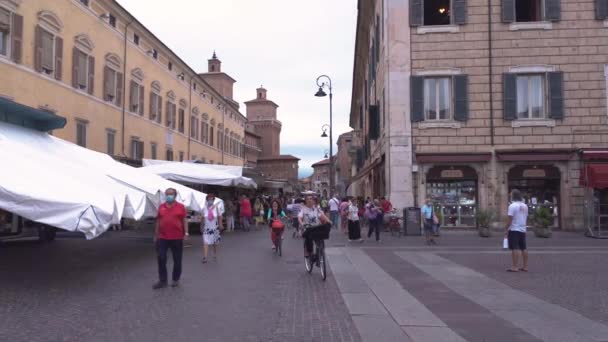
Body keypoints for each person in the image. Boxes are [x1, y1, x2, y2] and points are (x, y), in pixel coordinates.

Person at [153, 188, 188, 289]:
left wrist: (186, 233)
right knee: (161, 258)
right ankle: (162, 280)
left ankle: (175, 279)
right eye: (167, 194)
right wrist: (156, 235)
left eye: (171, 194)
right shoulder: (161, 207)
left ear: (175, 195)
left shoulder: (181, 207)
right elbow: (158, 221)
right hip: (162, 237)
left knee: (177, 260)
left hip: (177, 237)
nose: (169, 196)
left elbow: (184, 220)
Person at [298, 195, 330, 262]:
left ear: (313, 201)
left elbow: (322, 216)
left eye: (311, 199)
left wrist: (328, 221)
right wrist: (302, 223)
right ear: (306, 201)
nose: (309, 200)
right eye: (308, 199)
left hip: (316, 227)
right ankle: (310, 253)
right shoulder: (303, 209)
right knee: (309, 239)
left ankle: (319, 252)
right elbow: (299, 218)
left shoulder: (317, 209)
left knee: (324, 230)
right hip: (308, 228)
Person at [505, 189, 529, 272]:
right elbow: (526, 217)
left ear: (513, 196)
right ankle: (525, 266)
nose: (509, 196)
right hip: (522, 228)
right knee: (524, 248)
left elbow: (510, 219)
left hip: (514, 228)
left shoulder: (512, 206)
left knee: (515, 248)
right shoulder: (525, 206)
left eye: (510, 195)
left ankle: (515, 267)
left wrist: (506, 228)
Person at [201, 193, 224, 263]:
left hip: (215, 228)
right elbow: (202, 218)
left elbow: (220, 216)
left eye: (212, 199)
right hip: (206, 229)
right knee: (205, 242)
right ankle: (205, 257)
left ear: (213, 200)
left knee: (215, 243)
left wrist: (220, 224)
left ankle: (215, 255)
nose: (210, 200)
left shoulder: (216, 208)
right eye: (209, 199)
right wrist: (201, 225)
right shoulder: (204, 208)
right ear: (207, 200)